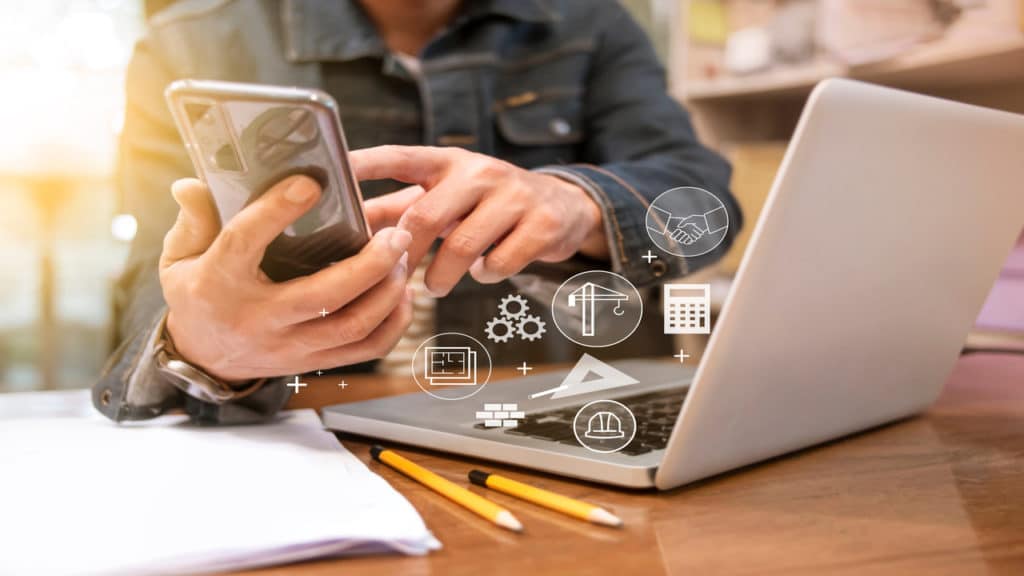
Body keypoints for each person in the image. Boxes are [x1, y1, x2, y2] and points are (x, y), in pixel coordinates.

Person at [93, 0, 740, 424]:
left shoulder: (591, 24)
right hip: (304, 437)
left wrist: (576, 202)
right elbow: (153, 277)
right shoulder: (190, 41)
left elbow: (704, 203)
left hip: (544, 418)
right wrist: (202, 344)